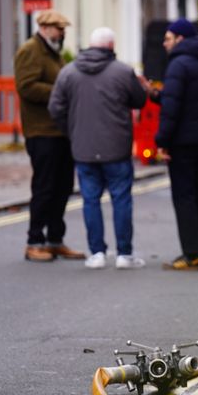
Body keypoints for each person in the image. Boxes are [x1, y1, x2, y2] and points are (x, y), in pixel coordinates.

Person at [48, 27, 148, 270]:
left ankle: (97, 253)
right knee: (121, 200)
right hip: (117, 147)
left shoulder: (68, 72)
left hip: (83, 147)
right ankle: (124, 254)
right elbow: (140, 100)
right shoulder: (124, 72)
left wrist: (72, 130)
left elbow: (55, 108)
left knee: (90, 200)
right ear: (111, 47)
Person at [14, 10, 83, 263]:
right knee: (44, 187)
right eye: (59, 28)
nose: (62, 33)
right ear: (44, 27)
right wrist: (60, 92)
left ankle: (55, 240)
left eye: (63, 29)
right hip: (41, 131)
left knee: (62, 187)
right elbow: (26, 86)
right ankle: (34, 241)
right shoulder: (31, 50)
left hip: (59, 131)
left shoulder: (53, 53)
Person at [155, 18, 198, 271]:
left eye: (168, 38)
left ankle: (191, 254)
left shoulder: (178, 65)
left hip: (182, 142)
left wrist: (162, 141)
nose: (164, 43)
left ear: (180, 39)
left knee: (184, 197)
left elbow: (172, 108)